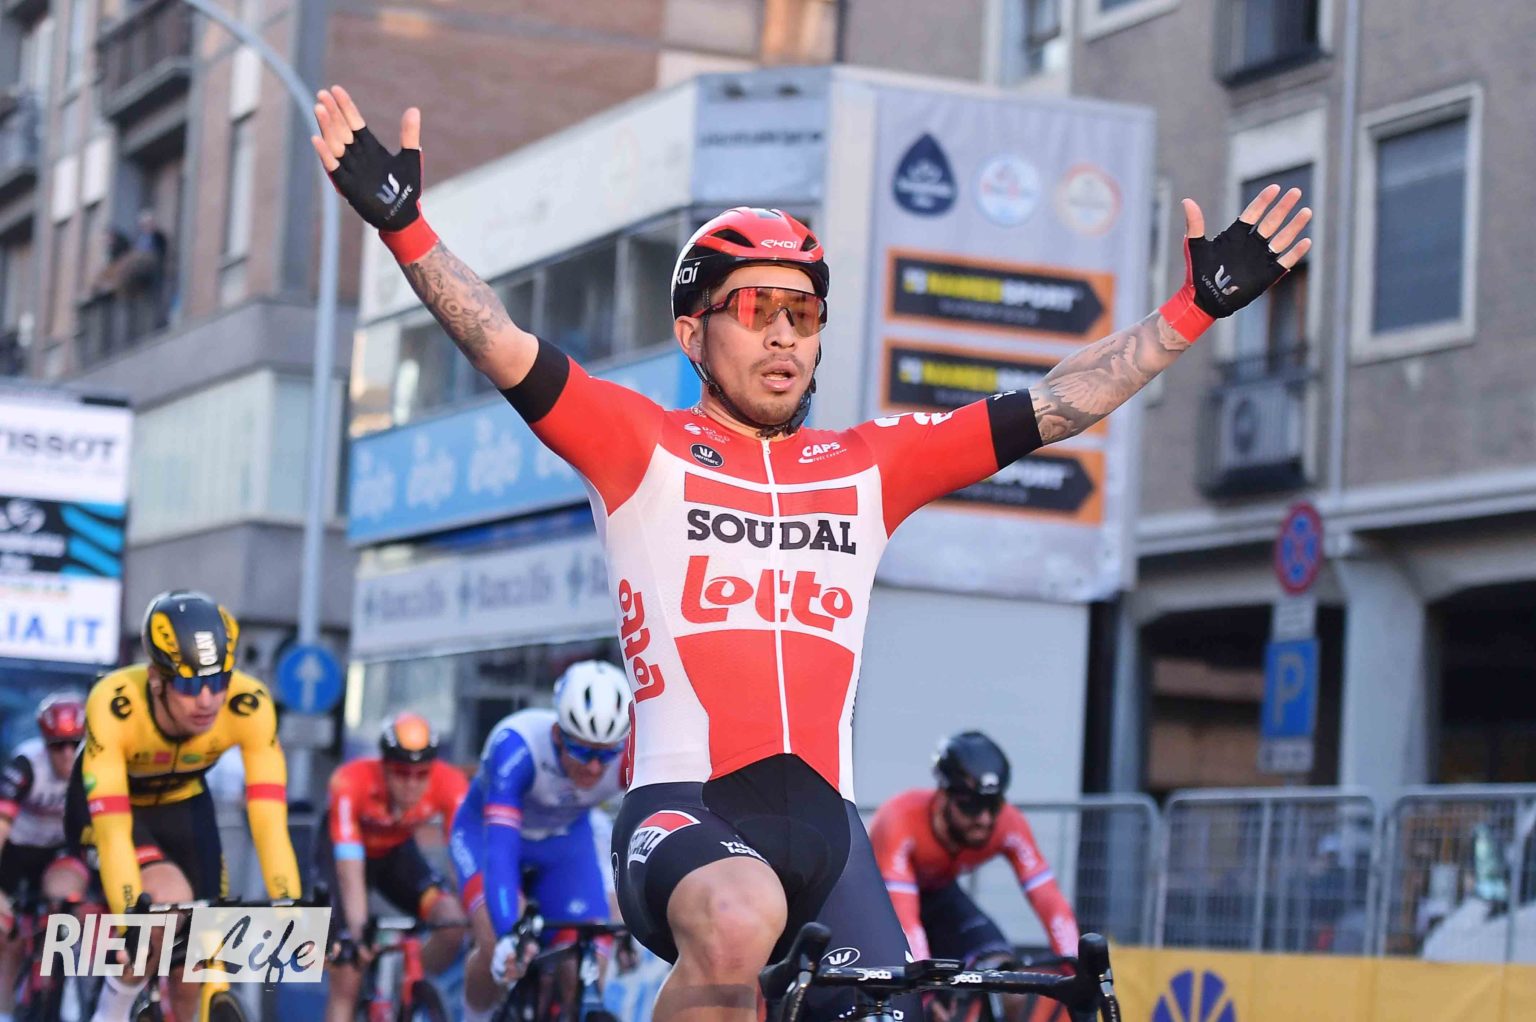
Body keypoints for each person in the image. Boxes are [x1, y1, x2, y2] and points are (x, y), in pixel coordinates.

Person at [310, 83, 1310, 1022]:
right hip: (683, 814)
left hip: (828, 831)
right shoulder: (637, 443)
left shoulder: (869, 462)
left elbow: (1054, 404)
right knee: (739, 918)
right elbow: (497, 339)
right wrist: (404, 227)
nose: (785, 335)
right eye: (756, 310)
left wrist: (1192, 313)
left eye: (805, 313)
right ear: (693, 332)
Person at [64, 591, 301, 1022]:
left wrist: (289, 900)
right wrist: (129, 919)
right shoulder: (115, 704)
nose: (207, 700)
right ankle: (111, 1009)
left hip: (184, 802)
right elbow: (114, 835)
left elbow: (269, 821)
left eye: (219, 681)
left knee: (198, 960)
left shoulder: (250, 704)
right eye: (190, 685)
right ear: (157, 678)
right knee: (164, 909)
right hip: (115, 809)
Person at [448, 661, 631, 1022]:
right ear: (558, 734)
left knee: (587, 963)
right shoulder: (517, 746)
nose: (594, 767)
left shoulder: (631, 756)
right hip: (486, 838)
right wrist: (507, 933)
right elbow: (500, 850)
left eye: (606, 753)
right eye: (582, 751)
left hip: (564, 846)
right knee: (497, 948)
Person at [869, 732, 1077, 1022]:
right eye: (971, 806)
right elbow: (906, 920)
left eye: (993, 805)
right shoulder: (899, 819)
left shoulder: (1009, 823)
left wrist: (1076, 967)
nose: (985, 819)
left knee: (1009, 985)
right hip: (881, 905)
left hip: (939, 897)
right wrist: (925, 991)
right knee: (917, 1006)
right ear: (943, 795)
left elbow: (1049, 900)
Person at [317, 711, 469, 1022]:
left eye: (421, 774)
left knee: (452, 921)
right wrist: (357, 931)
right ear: (384, 766)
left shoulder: (450, 783)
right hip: (344, 857)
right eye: (401, 773)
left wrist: (471, 911)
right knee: (348, 971)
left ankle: (406, 984)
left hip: (395, 853)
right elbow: (349, 869)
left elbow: (462, 860)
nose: (411, 784)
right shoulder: (351, 780)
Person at [0, 693, 91, 1022]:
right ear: (44, 742)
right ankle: (5, 1010)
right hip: (14, 852)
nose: (67, 753)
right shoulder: (26, 764)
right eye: (57, 745)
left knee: (68, 902)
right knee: (6, 934)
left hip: (57, 853)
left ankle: (66, 991)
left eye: (74, 743)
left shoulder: (94, 766)